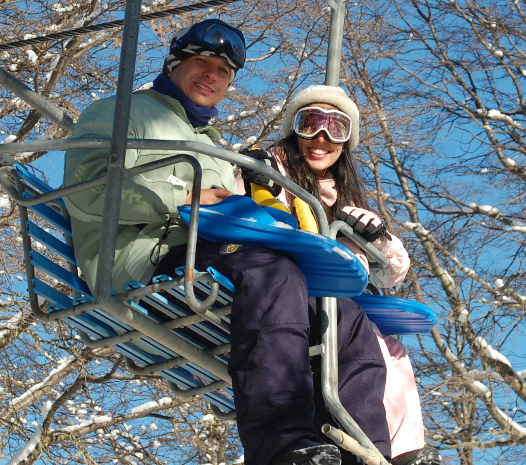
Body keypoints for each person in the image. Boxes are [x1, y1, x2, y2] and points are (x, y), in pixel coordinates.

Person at [62, 20, 389, 465]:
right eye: (202, 61)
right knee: (273, 271)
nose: (212, 75)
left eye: (223, 70)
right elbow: (85, 191)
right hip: (143, 257)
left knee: (345, 314)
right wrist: (184, 198)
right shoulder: (121, 112)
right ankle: (282, 445)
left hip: (209, 258)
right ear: (175, 63)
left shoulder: (211, 142)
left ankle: (369, 452)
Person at [240, 84, 442, 465]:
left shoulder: (347, 199)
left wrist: (378, 239)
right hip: (291, 285)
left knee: (393, 350)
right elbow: (247, 212)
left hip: (335, 295)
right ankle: (365, 446)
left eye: (336, 129)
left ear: (347, 141)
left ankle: (399, 452)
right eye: (310, 123)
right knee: (356, 331)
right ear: (294, 129)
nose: (322, 138)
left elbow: (394, 271)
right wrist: (254, 178)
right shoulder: (272, 170)